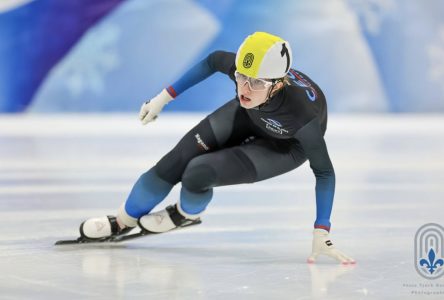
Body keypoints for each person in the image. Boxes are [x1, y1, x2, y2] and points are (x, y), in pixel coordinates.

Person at [79, 32, 355, 264]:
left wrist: (322, 229)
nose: (244, 88)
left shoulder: (303, 116)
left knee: (198, 173)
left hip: (284, 147)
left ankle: (185, 214)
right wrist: (162, 99)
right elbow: (212, 61)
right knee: (174, 162)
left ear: (278, 85)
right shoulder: (248, 81)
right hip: (248, 116)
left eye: (256, 83)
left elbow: (325, 173)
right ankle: (122, 221)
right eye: (240, 77)